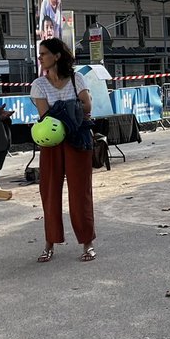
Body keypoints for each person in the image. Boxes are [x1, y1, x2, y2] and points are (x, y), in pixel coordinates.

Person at [30, 37, 96, 263]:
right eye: (39, 55)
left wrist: (62, 111)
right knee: (49, 192)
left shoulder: (77, 78)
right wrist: (70, 109)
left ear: (56, 55)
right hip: (51, 143)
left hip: (78, 140)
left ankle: (87, 243)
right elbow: (44, 116)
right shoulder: (39, 84)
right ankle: (50, 243)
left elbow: (88, 106)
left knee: (81, 193)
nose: (40, 58)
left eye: (43, 54)